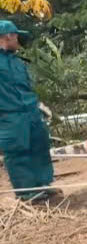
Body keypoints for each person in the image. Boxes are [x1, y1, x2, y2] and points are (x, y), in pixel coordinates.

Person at [0, 20, 55, 203]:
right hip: (9, 115)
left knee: (40, 146)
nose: (18, 40)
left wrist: (39, 105)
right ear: (8, 36)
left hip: (31, 111)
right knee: (18, 153)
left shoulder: (18, 63)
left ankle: (43, 186)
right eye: (16, 36)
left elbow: (26, 88)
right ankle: (27, 193)